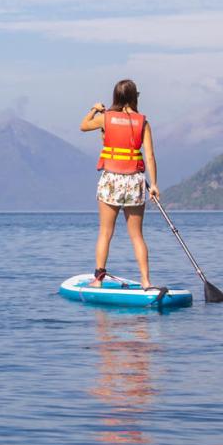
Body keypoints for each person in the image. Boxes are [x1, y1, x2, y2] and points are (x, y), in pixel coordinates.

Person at [80, 78, 160, 288]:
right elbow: (150, 156)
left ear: (115, 97)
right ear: (135, 97)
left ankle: (98, 280)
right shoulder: (143, 122)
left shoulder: (105, 118)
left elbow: (83, 126)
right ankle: (145, 280)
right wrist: (154, 185)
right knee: (137, 235)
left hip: (111, 180)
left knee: (106, 232)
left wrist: (94, 110)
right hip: (134, 180)